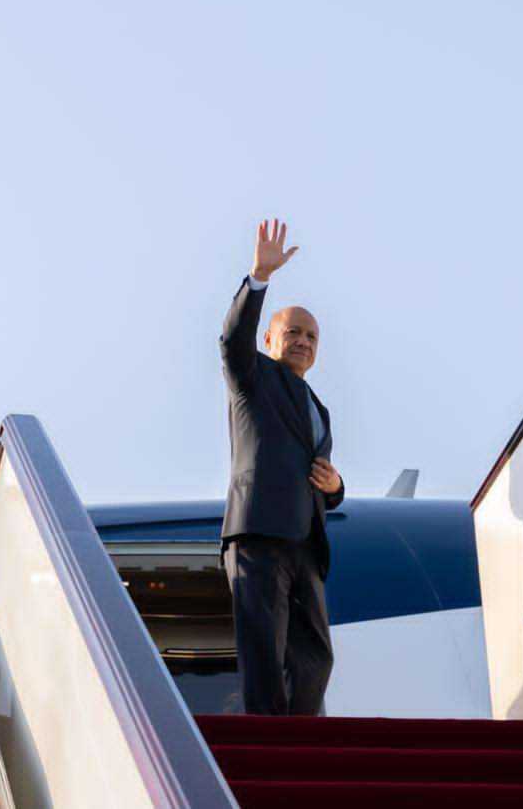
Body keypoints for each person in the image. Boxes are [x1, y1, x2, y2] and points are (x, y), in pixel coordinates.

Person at [219, 217, 345, 716]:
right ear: (270, 339)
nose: (304, 341)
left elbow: (319, 475)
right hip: (258, 533)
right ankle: (269, 742)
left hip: (305, 544)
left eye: (312, 336)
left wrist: (335, 487)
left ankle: (302, 742)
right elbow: (233, 340)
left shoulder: (319, 408)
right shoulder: (253, 379)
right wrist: (259, 278)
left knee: (315, 658)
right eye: (293, 332)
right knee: (265, 656)